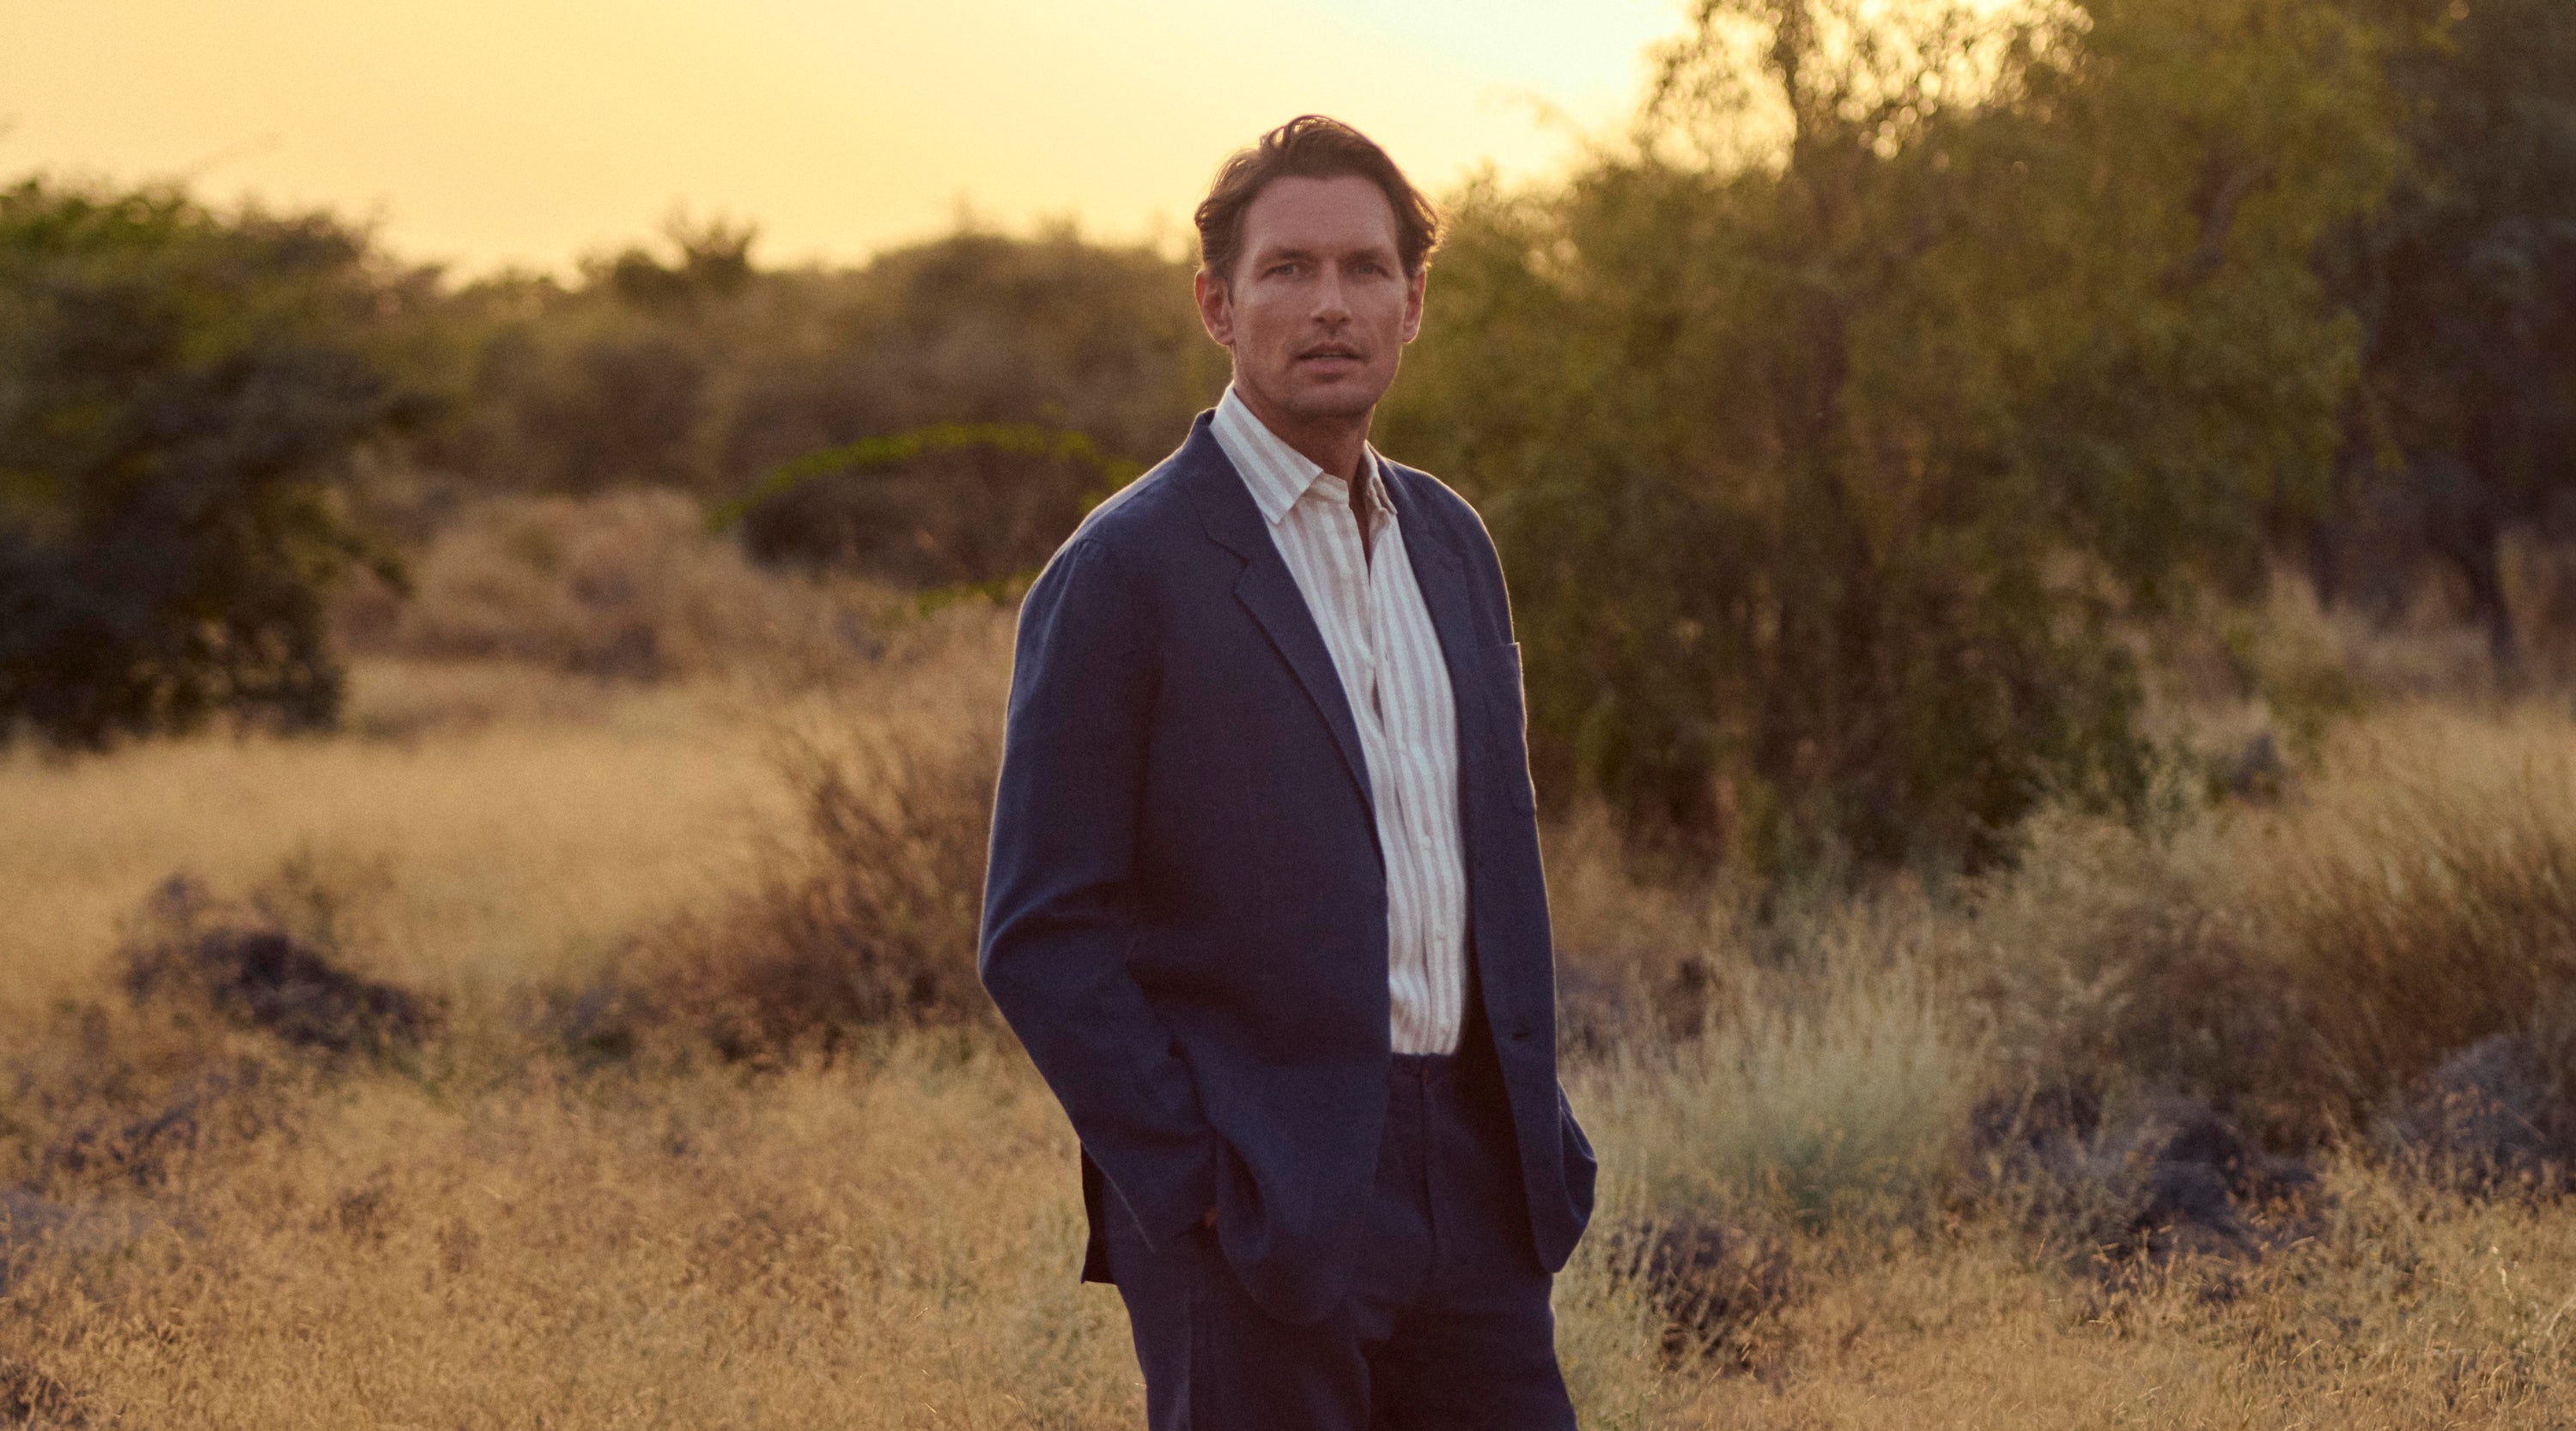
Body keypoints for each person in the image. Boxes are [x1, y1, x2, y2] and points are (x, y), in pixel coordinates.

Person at [977, 114, 1595, 1430]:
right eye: (1288, 271)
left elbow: (1483, 856)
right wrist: (1196, 1179)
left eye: (1366, 271)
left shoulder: (1452, 544)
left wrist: (1536, 1127)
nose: (1331, 306)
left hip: (1477, 1185)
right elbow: (1039, 930)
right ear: (1217, 302)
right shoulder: (1128, 569)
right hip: (1256, 1199)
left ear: (1414, 304)